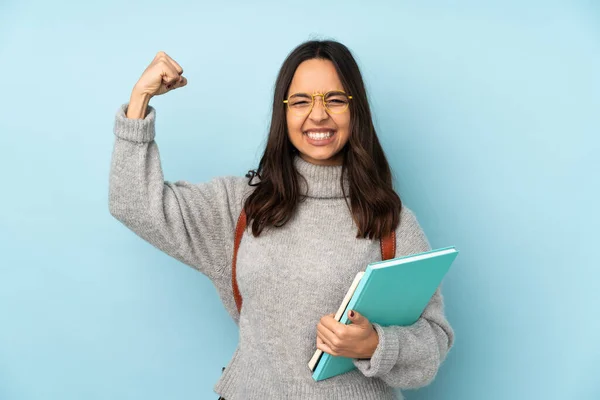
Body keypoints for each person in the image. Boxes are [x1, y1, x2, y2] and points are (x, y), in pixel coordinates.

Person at [109, 40, 454, 400]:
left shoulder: (391, 222)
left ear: (356, 111)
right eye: (301, 101)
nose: (318, 115)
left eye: (334, 100)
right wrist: (139, 102)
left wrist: (374, 344)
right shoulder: (241, 206)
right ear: (283, 112)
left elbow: (432, 341)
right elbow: (134, 204)